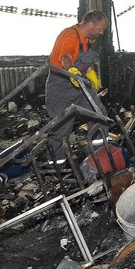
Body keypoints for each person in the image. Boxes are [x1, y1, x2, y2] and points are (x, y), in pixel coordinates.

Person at [45, 11, 109, 161]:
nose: (101, 32)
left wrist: (91, 73)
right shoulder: (69, 36)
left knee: (99, 114)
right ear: (90, 24)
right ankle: (56, 164)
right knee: (61, 127)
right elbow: (66, 58)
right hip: (61, 85)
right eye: (100, 28)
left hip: (80, 83)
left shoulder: (87, 39)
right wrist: (71, 71)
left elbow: (84, 60)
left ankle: (99, 155)